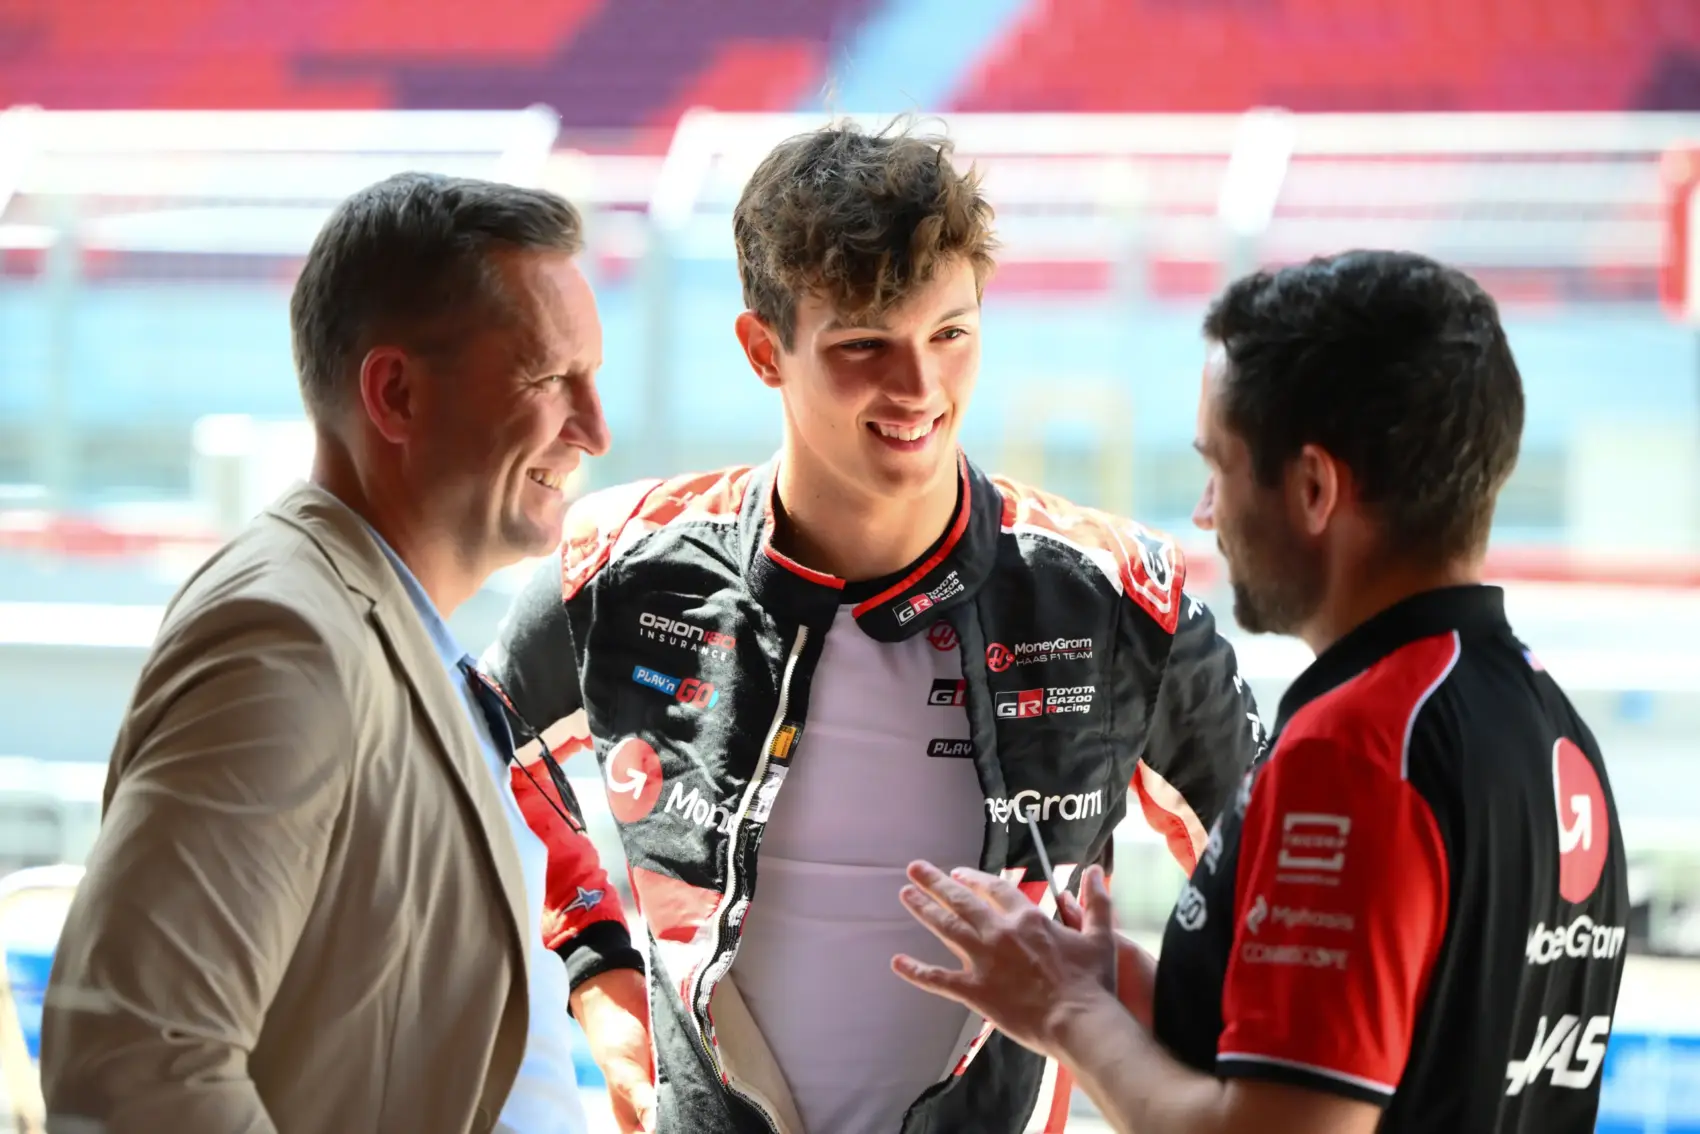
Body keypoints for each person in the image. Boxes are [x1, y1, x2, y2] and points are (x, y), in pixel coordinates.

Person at [478, 119, 1266, 1133]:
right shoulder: (621, 567)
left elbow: (1274, 890)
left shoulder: (1113, 595)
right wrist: (595, 968)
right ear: (764, 351)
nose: (918, 389)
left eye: (950, 335)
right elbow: (474, 770)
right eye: (863, 345)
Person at [892, 249, 1630, 1134]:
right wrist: (1107, 985)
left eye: (1221, 468)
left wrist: (1067, 1015)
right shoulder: (1553, 731)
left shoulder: (1354, 751)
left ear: (1313, 489)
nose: (1206, 512)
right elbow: (1400, 1051)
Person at [39, 171, 651, 1134]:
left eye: (593, 377)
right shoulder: (285, 641)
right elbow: (139, 1064)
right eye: (546, 379)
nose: (595, 430)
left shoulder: (368, 620)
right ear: (396, 393)